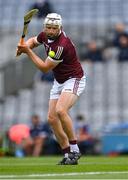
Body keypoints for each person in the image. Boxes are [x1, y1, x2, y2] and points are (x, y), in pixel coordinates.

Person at [16, 13, 86, 165]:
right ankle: (67, 154)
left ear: (60, 28)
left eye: (54, 28)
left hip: (74, 79)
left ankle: (75, 150)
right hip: (59, 80)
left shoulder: (61, 45)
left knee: (61, 111)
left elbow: (44, 68)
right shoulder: (45, 35)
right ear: (44, 27)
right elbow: (33, 41)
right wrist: (24, 46)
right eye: (48, 27)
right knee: (52, 119)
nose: (50, 31)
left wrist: (27, 52)